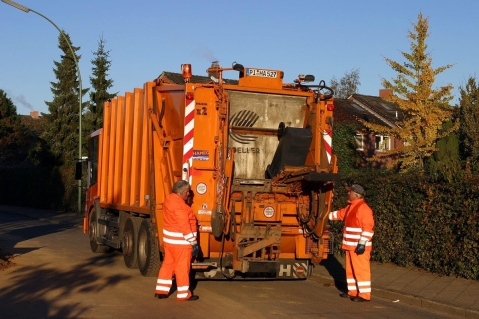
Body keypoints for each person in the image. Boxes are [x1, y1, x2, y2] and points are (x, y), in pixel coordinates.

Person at [154, 180, 200, 301]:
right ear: (184, 192)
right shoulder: (180, 206)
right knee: (182, 268)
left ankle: (161, 291)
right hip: (181, 244)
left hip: (170, 242)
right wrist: (193, 242)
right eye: (188, 192)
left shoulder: (169, 199)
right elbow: (184, 225)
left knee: (168, 265)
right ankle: (184, 294)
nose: (189, 195)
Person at [329, 184, 374, 302]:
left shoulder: (364, 209)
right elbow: (339, 214)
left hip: (359, 247)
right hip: (350, 246)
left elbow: (368, 228)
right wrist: (323, 215)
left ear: (356, 194)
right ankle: (353, 292)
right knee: (351, 270)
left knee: (361, 270)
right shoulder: (351, 207)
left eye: (350, 192)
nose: (348, 193)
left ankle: (364, 295)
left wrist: (362, 243)